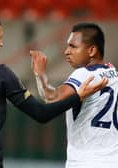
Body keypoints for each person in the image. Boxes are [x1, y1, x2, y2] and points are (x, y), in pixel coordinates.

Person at [0, 15, 107, 168]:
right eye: (0, 38)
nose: (2, 43)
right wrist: (78, 97)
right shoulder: (0, 74)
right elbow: (41, 114)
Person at [30, 23, 118, 168]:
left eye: (73, 46)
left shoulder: (84, 74)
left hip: (85, 161)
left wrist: (40, 74)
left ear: (91, 50)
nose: (66, 51)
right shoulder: (114, 74)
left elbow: (52, 97)